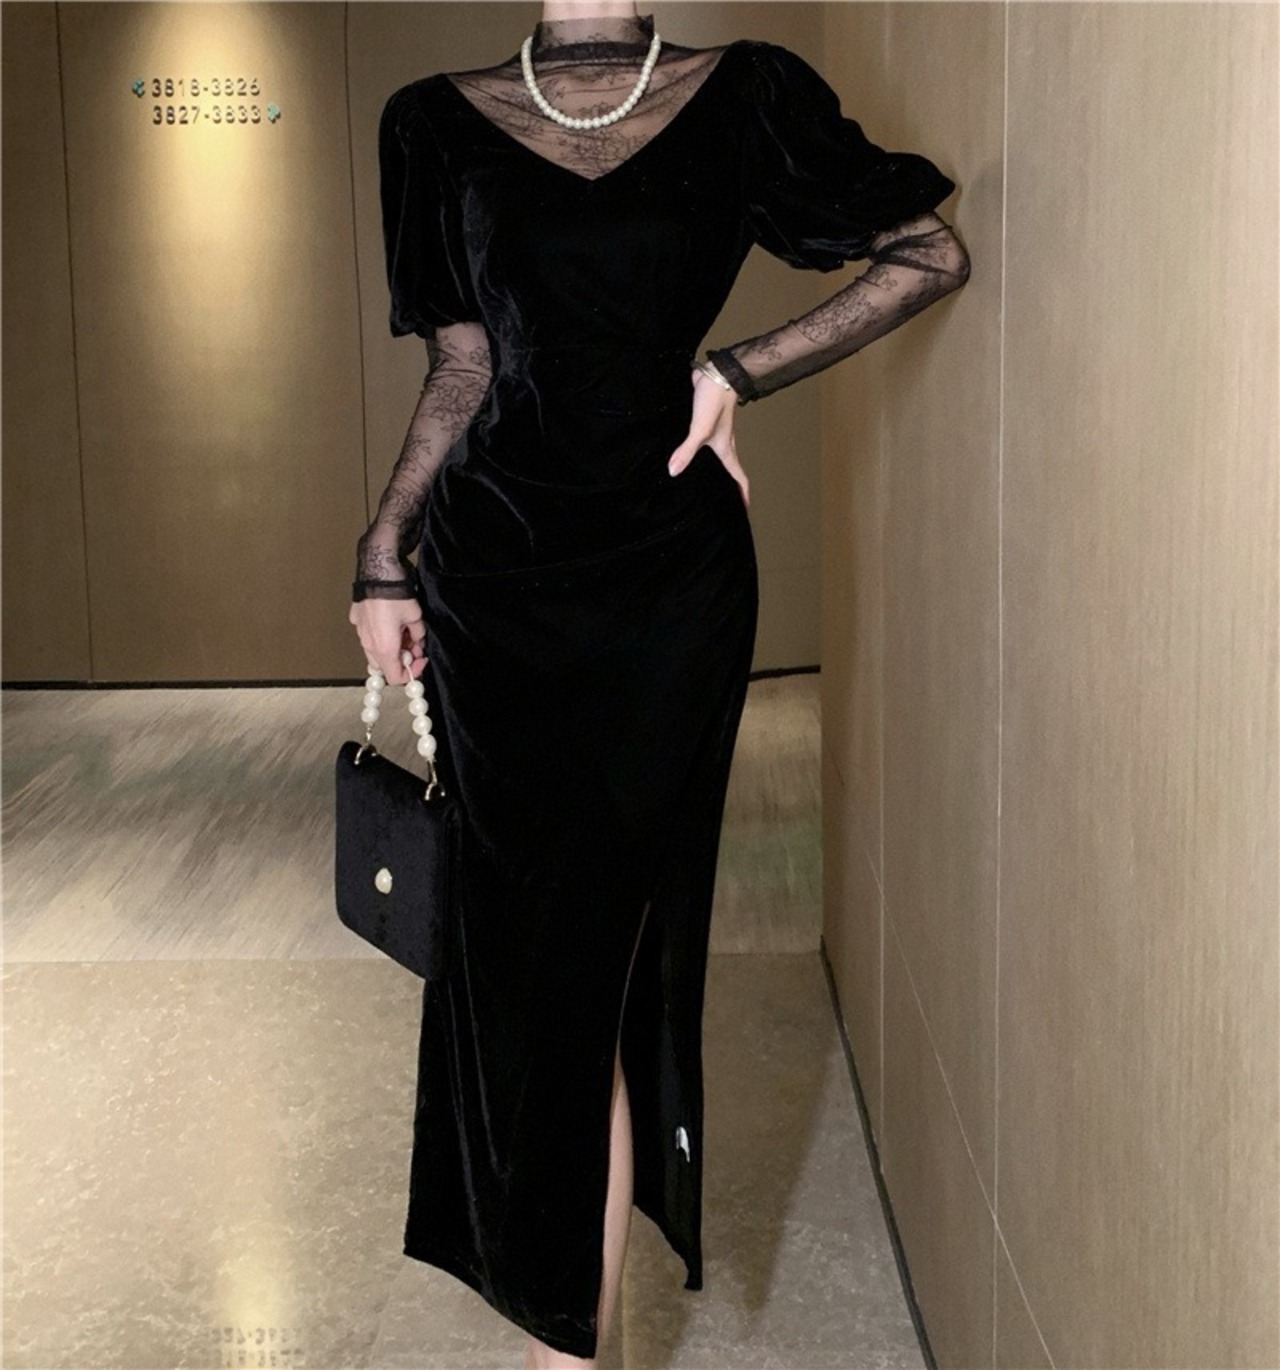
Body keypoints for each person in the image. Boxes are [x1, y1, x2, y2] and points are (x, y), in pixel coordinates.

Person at [347, 4, 970, 1366]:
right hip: (497, 583)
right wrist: (387, 552)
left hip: (665, 589)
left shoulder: (743, 94)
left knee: (589, 968)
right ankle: (569, 1333)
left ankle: (557, 1339)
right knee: (530, 971)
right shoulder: (431, 122)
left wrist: (732, 373)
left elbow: (927, 253)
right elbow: (463, 364)